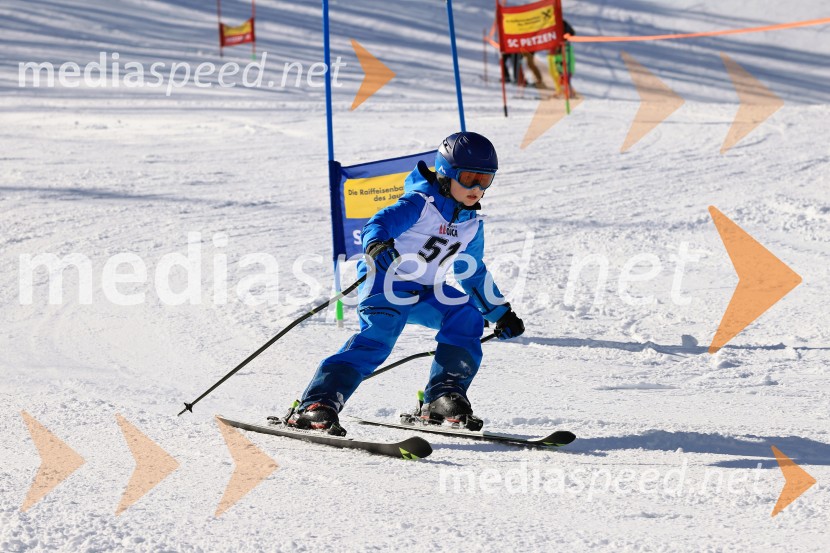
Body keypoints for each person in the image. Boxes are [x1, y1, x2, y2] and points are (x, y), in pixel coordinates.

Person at [285, 132, 525, 436]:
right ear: (446, 173)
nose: (476, 188)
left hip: (425, 291)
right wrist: (376, 245)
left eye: (485, 179)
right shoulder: (420, 202)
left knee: (465, 315)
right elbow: (379, 223)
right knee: (378, 340)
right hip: (386, 283)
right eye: (468, 178)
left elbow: (473, 272)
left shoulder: (471, 225)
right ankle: (317, 404)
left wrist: (499, 313)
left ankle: (443, 395)